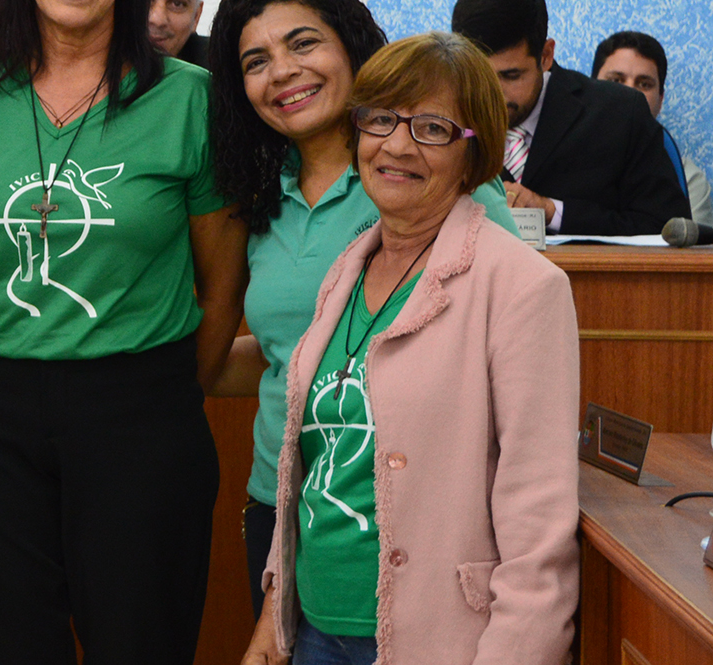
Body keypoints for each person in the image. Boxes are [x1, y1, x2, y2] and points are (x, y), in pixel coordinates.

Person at [0, 0, 247, 665]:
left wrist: (170, 385)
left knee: (140, 642)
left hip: (140, 415)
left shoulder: (190, 99)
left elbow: (222, 279)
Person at [243, 32, 580, 665]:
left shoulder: (523, 287)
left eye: (432, 128)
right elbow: (316, 471)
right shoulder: (349, 269)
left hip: (441, 636)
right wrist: (275, 617)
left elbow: (540, 525)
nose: (397, 144)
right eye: (381, 119)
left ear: (473, 152)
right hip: (315, 627)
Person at [205, 0, 520, 615]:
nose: (283, 70)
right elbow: (282, 351)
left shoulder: (427, 166)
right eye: (256, 60)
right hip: (283, 504)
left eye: (302, 43)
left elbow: (513, 337)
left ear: (352, 47)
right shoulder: (258, 198)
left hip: (411, 510)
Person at [450, 0, 687, 234]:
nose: (492, 94)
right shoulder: (438, 118)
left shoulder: (619, 115)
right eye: (478, 76)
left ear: (545, 55)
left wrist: (553, 212)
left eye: (511, 76)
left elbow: (669, 227)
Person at [593, 29, 712, 224]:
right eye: (616, 81)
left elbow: (691, 252)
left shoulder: (688, 182)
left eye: (644, 84)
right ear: (590, 88)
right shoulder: (559, 160)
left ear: (661, 99)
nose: (630, 94)